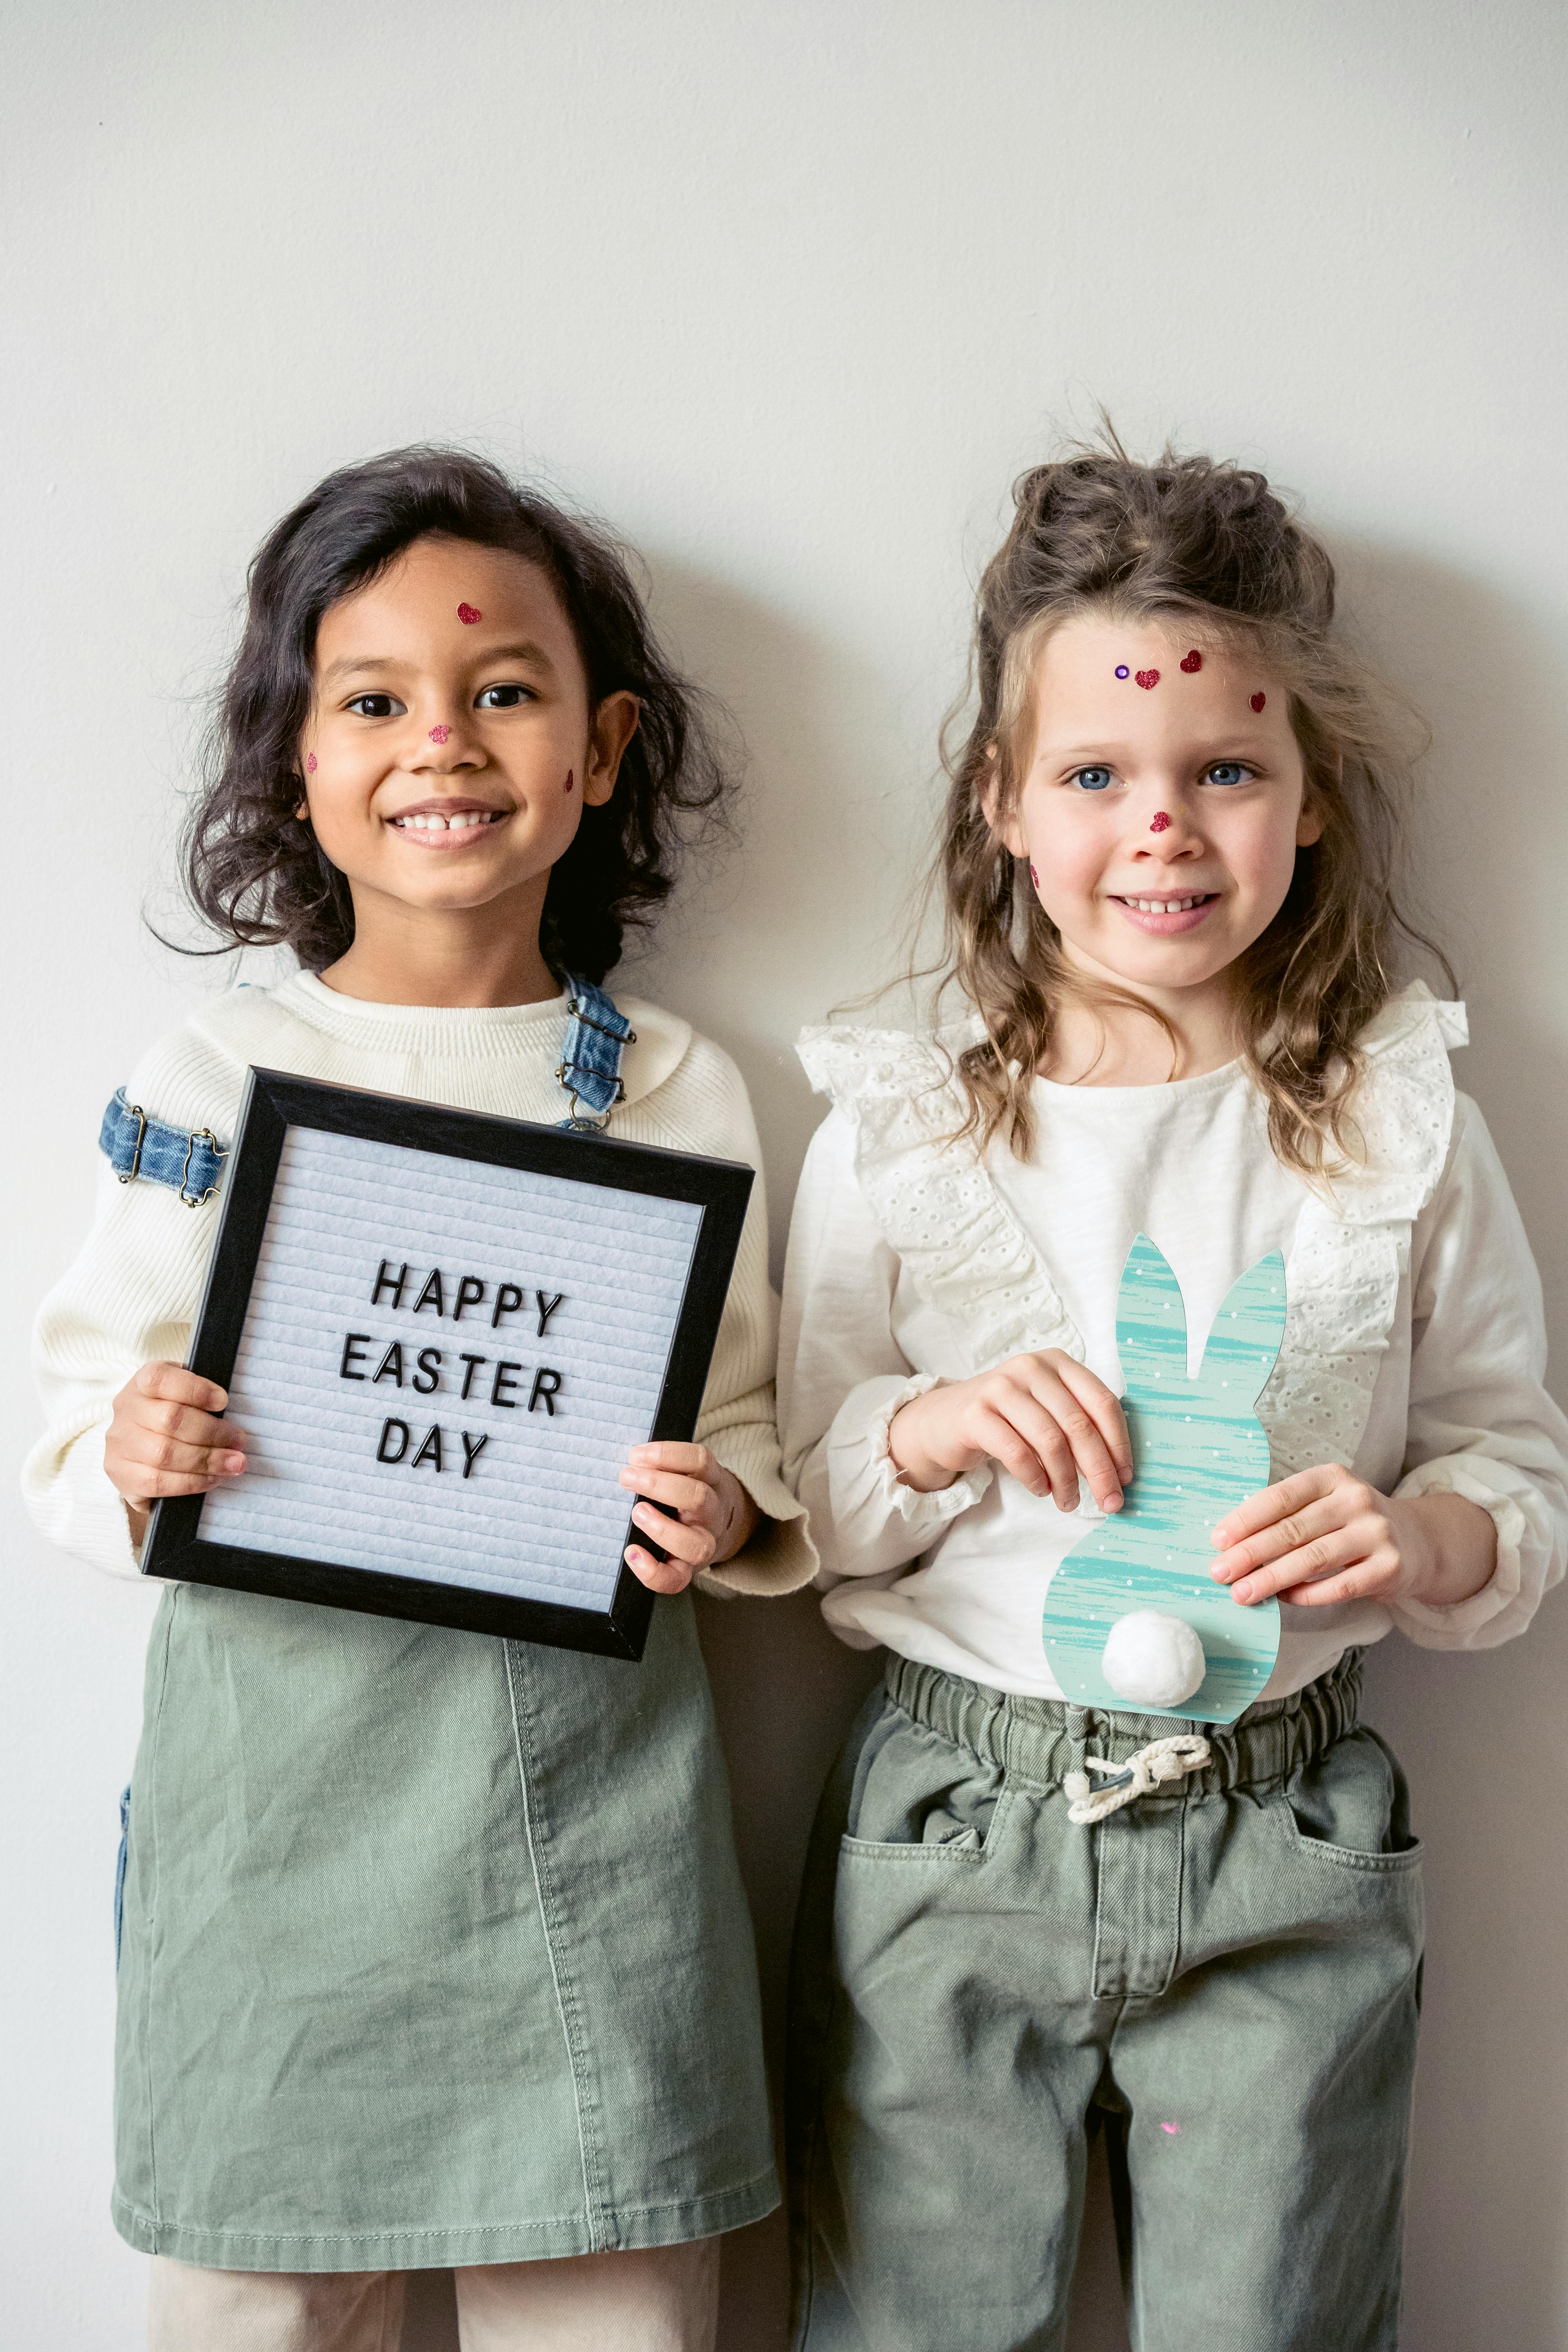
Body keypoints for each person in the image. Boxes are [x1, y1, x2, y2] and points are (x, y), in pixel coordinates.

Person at [777, 442, 1568, 2351]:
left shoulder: (1397, 1124)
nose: (1165, 830)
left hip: (1286, 1837)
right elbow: (801, 1487)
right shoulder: (903, 1122)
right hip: (958, 1829)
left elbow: (1508, 1455)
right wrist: (930, 1426)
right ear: (1003, 804)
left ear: (1308, 804)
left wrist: (1423, 1527)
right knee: (912, 2323)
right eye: (1095, 776)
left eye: (1226, 771)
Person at [24, 446, 813, 2352]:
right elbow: (78, 1421)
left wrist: (722, 1510)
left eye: (505, 692)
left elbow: (752, 1422)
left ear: (602, 748)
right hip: (280, 1841)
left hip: (586, 1837)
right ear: (297, 760)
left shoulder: (676, 1089)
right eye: (372, 701)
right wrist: (132, 1452)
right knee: (257, 2303)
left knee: (612, 2300)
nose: (441, 742)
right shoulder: (217, 1074)